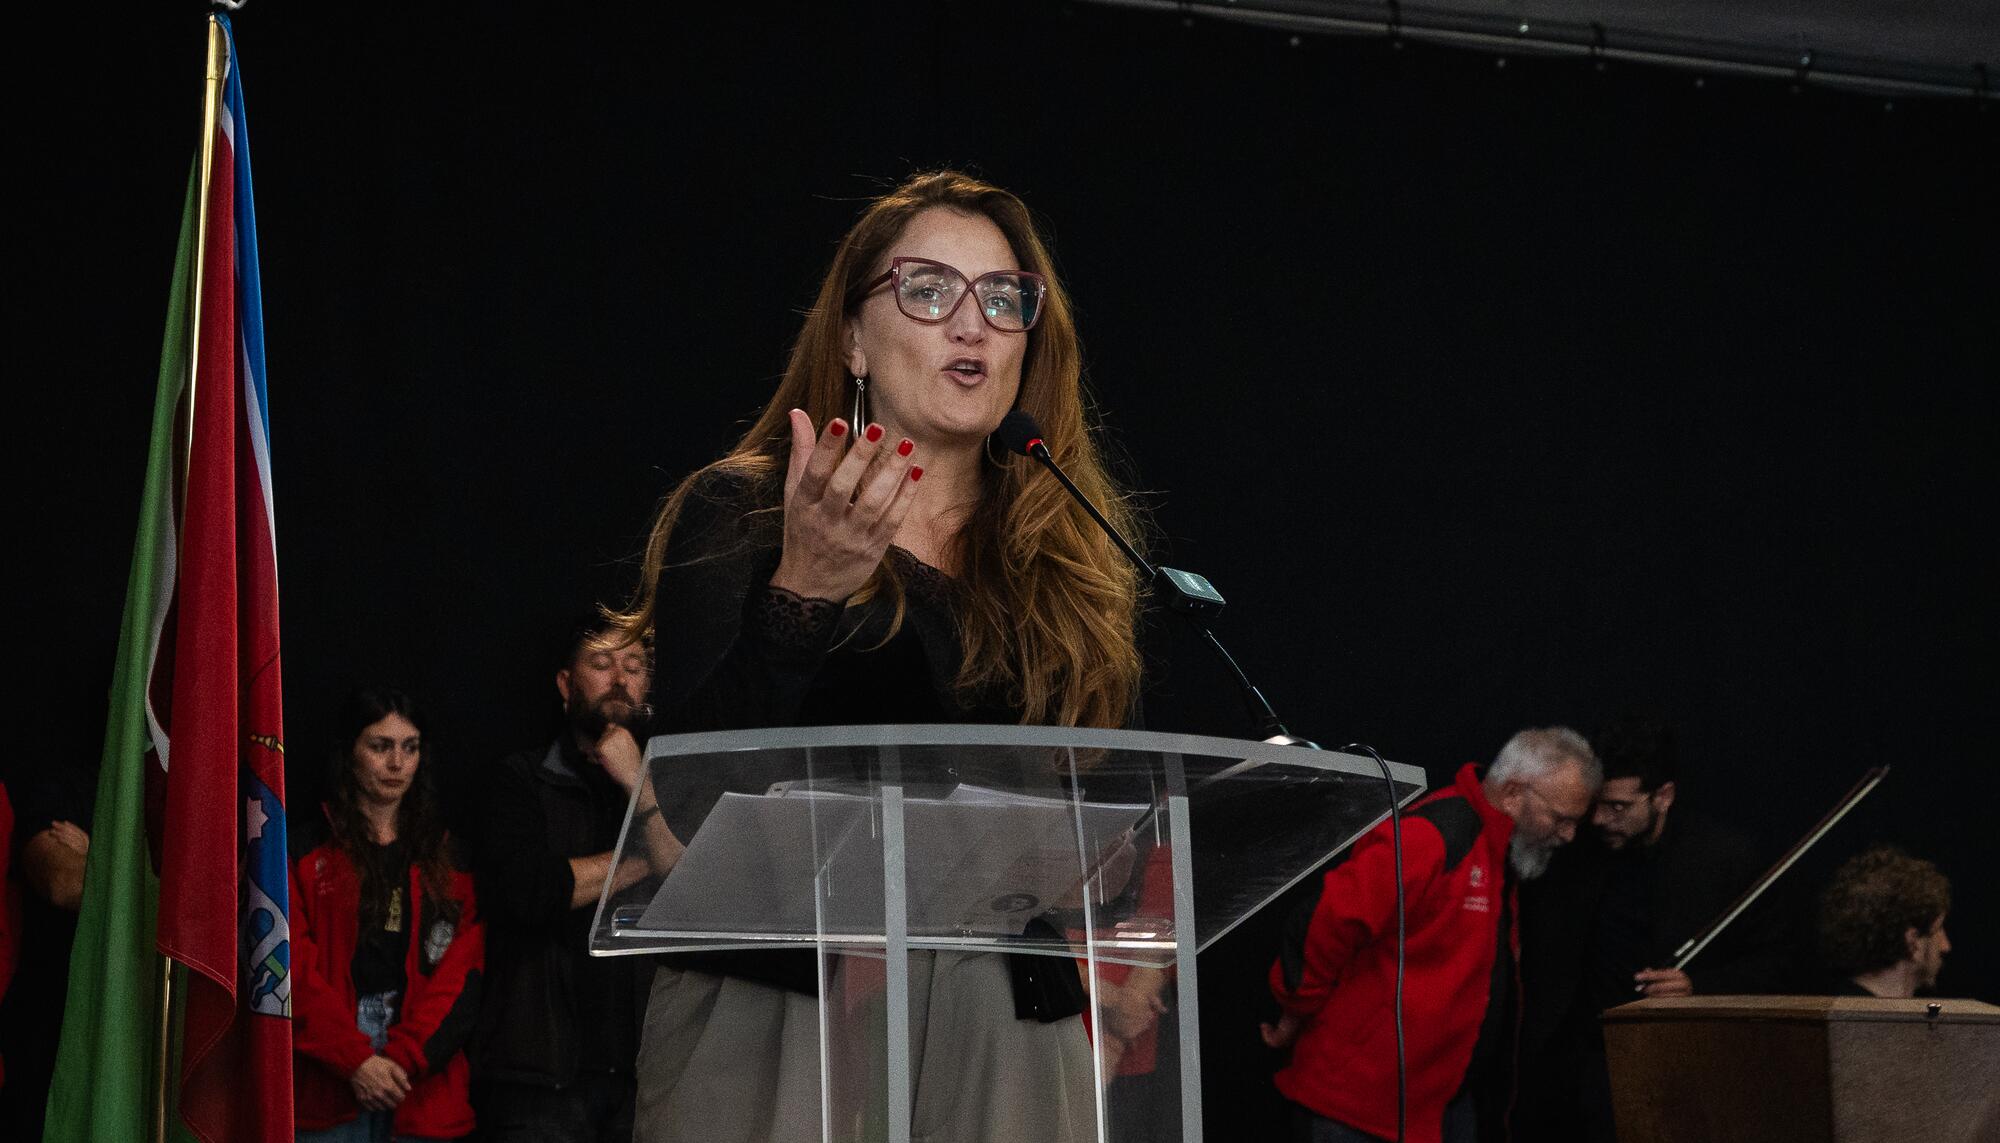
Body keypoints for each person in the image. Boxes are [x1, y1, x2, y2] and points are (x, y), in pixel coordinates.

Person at [607, 170, 1147, 1143]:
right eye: (929, 291)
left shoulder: (1060, 560)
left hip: (1003, 1010)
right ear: (852, 337)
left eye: (1001, 298)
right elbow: (693, 794)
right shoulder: (751, 511)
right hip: (778, 999)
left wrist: (1097, 860)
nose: (971, 325)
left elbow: (1092, 805)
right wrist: (804, 591)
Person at [1262, 727, 1602, 1143]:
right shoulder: (1435, 836)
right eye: (1562, 818)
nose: (1568, 835)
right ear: (1514, 792)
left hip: (1437, 1108)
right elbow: (1322, 919)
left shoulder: (1500, 848)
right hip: (1357, 1110)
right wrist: (1296, 1007)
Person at [1516, 716, 1792, 1142]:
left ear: (1663, 796)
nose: (1601, 820)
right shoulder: (1573, 850)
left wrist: (1697, 985)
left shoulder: (1723, 860)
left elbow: (1776, 963)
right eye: (1597, 804)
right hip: (1576, 1072)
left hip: (1679, 1071)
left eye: (1619, 807)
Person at [470, 618, 661, 1143]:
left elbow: (701, 878)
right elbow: (531, 893)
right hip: (541, 1077)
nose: (620, 678)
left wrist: (638, 783)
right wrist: (645, 860)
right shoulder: (520, 779)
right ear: (565, 683)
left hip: (650, 1074)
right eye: (601, 664)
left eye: (634, 666)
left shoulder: (670, 788)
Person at [291, 687, 484, 1143]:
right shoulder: (301, 850)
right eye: (380, 746)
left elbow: (463, 973)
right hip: (326, 1068)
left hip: (420, 1076)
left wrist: (406, 1057)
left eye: (409, 747)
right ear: (350, 754)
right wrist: (354, 1059)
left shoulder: (449, 858)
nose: (397, 763)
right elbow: (288, 970)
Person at [1816, 844, 1952, 998]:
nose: (1946, 946)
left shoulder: (1838, 1007)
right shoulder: (1865, 1019)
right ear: (1912, 940)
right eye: (1939, 929)